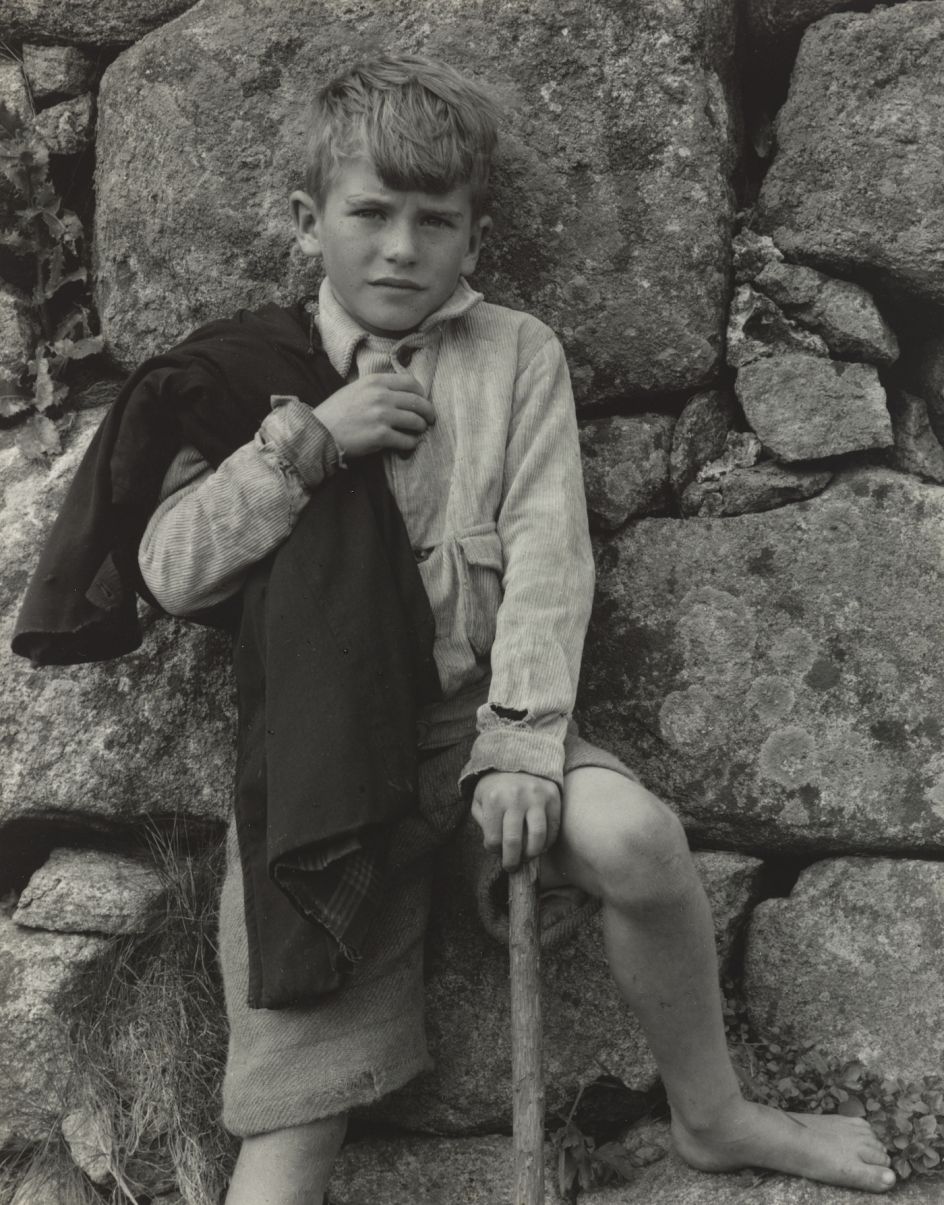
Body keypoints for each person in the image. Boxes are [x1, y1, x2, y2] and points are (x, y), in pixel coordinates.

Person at [134, 53, 897, 1203]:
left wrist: (521, 742)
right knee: (294, 1122)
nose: (400, 247)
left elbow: (547, 555)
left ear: (472, 239)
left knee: (636, 837)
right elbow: (168, 568)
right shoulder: (249, 375)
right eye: (369, 214)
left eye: (432, 220)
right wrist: (308, 444)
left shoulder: (513, 355)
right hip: (323, 763)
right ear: (306, 223)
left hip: (476, 718)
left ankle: (713, 1111)